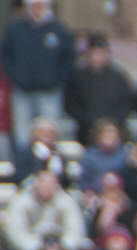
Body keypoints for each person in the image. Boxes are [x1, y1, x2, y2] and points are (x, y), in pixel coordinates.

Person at [0, 0, 75, 148]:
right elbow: (5, 55)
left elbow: (68, 58)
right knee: (22, 134)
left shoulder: (59, 30)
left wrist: (56, 79)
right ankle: (24, 165)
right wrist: (15, 76)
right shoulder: (15, 30)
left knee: (49, 132)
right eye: (34, 5)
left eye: (40, 5)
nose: (37, 9)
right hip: (21, 92)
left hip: (49, 92)